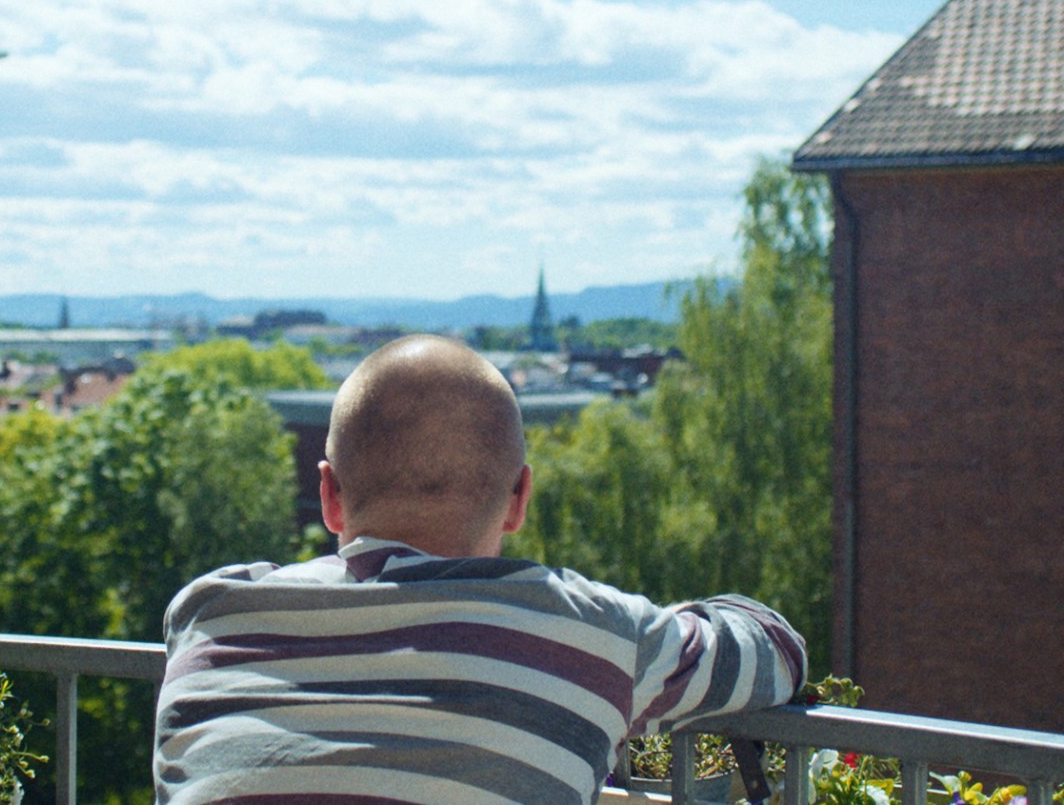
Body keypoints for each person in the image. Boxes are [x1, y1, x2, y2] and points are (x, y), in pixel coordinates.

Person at [154, 333, 806, 805]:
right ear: (519, 497)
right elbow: (773, 651)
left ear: (329, 494)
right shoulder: (590, 633)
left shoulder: (210, 618)